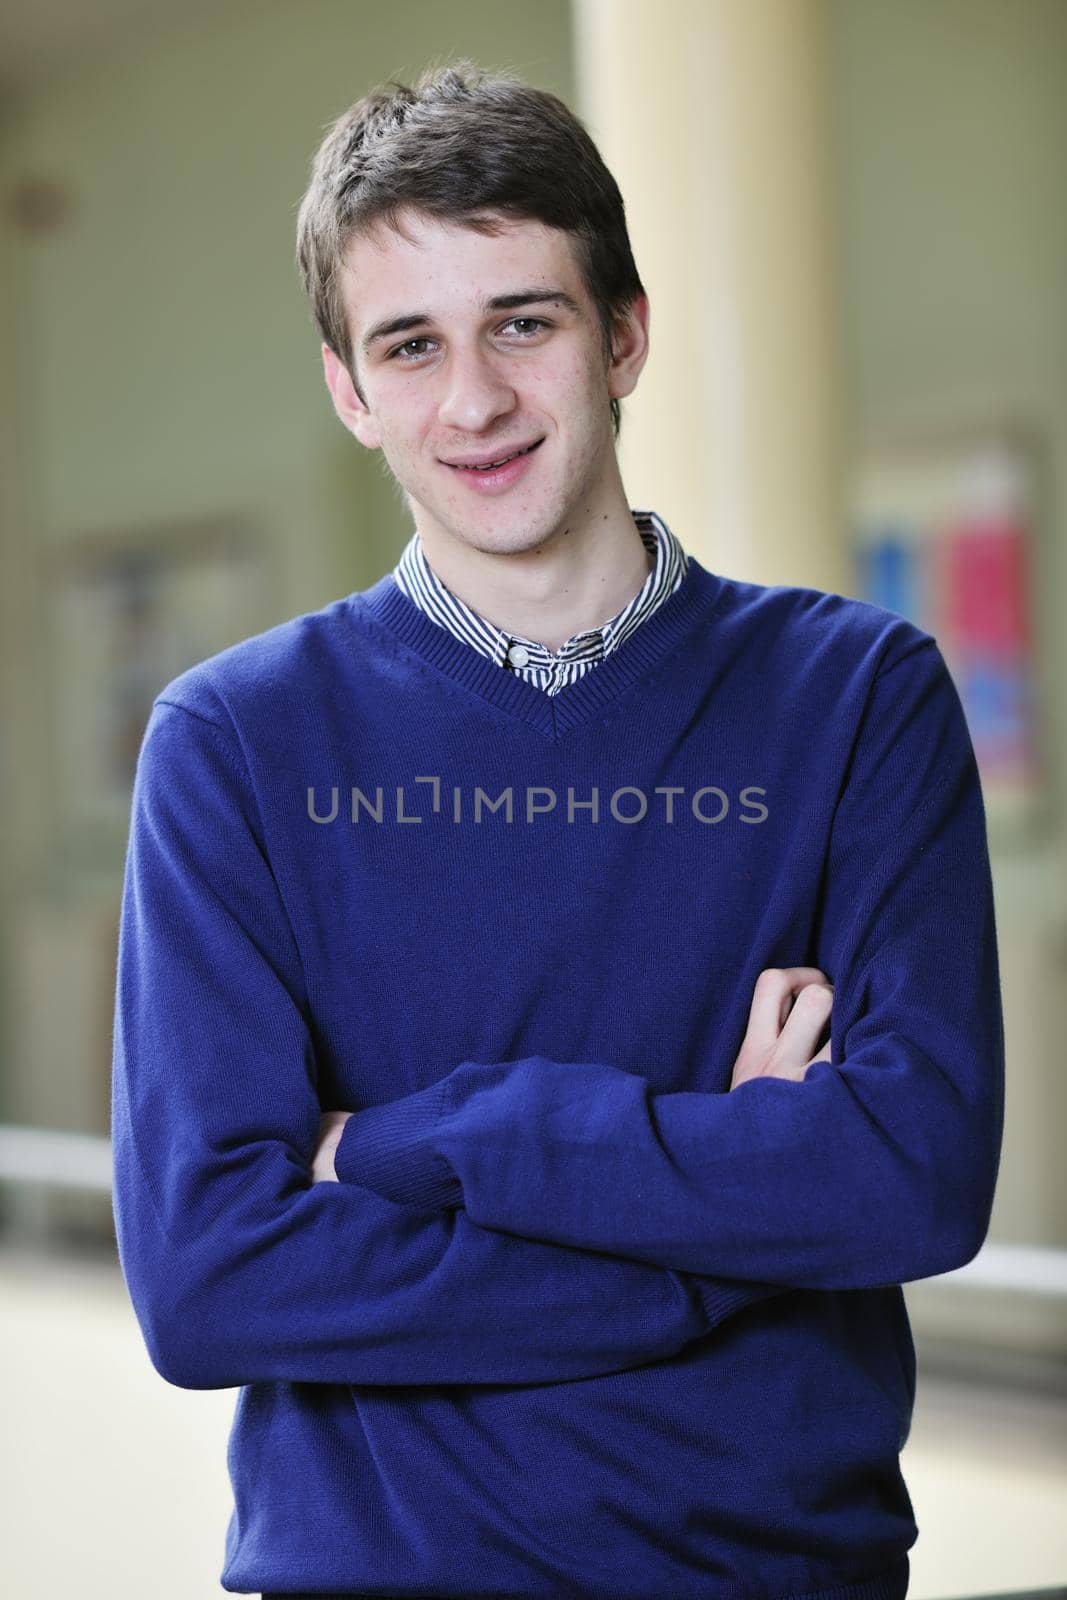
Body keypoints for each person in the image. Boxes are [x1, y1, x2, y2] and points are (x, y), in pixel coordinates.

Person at [110, 59, 1004, 1600]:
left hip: (776, 1577)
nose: (473, 401)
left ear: (623, 336)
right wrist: (728, 1201)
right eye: (411, 344)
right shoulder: (235, 745)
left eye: (523, 321)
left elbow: (911, 1180)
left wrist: (417, 1143)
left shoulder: (857, 698)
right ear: (347, 387)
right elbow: (209, 1280)